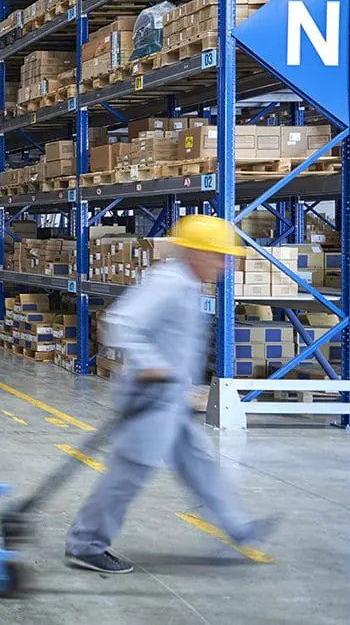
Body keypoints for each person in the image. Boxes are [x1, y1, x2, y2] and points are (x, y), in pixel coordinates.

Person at [65, 215, 277, 574]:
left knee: (200, 464)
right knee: (128, 473)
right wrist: (153, 365)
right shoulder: (167, 283)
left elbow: (175, 343)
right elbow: (120, 323)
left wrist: (182, 386)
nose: (224, 266)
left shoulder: (187, 284)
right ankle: (86, 545)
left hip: (170, 399)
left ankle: (239, 529)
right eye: (218, 257)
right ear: (195, 252)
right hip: (149, 398)